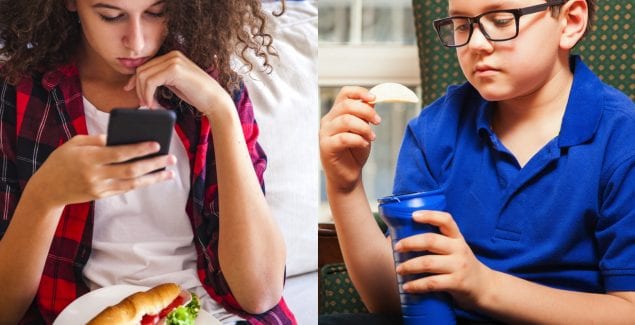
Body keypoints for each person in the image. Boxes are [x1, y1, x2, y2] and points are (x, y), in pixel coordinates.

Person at [319, 0, 635, 323]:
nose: (476, 44)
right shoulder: (435, 130)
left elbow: (629, 310)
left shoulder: (622, 139)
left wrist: (483, 286)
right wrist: (345, 187)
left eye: (500, 21)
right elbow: (393, 299)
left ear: (569, 21)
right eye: (462, 25)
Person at [0, 0, 295, 324]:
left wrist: (222, 111)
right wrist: (44, 196)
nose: (137, 41)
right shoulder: (20, 93)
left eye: (157, 12)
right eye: (110, 16)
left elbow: (261, 294)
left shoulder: (215, 87)